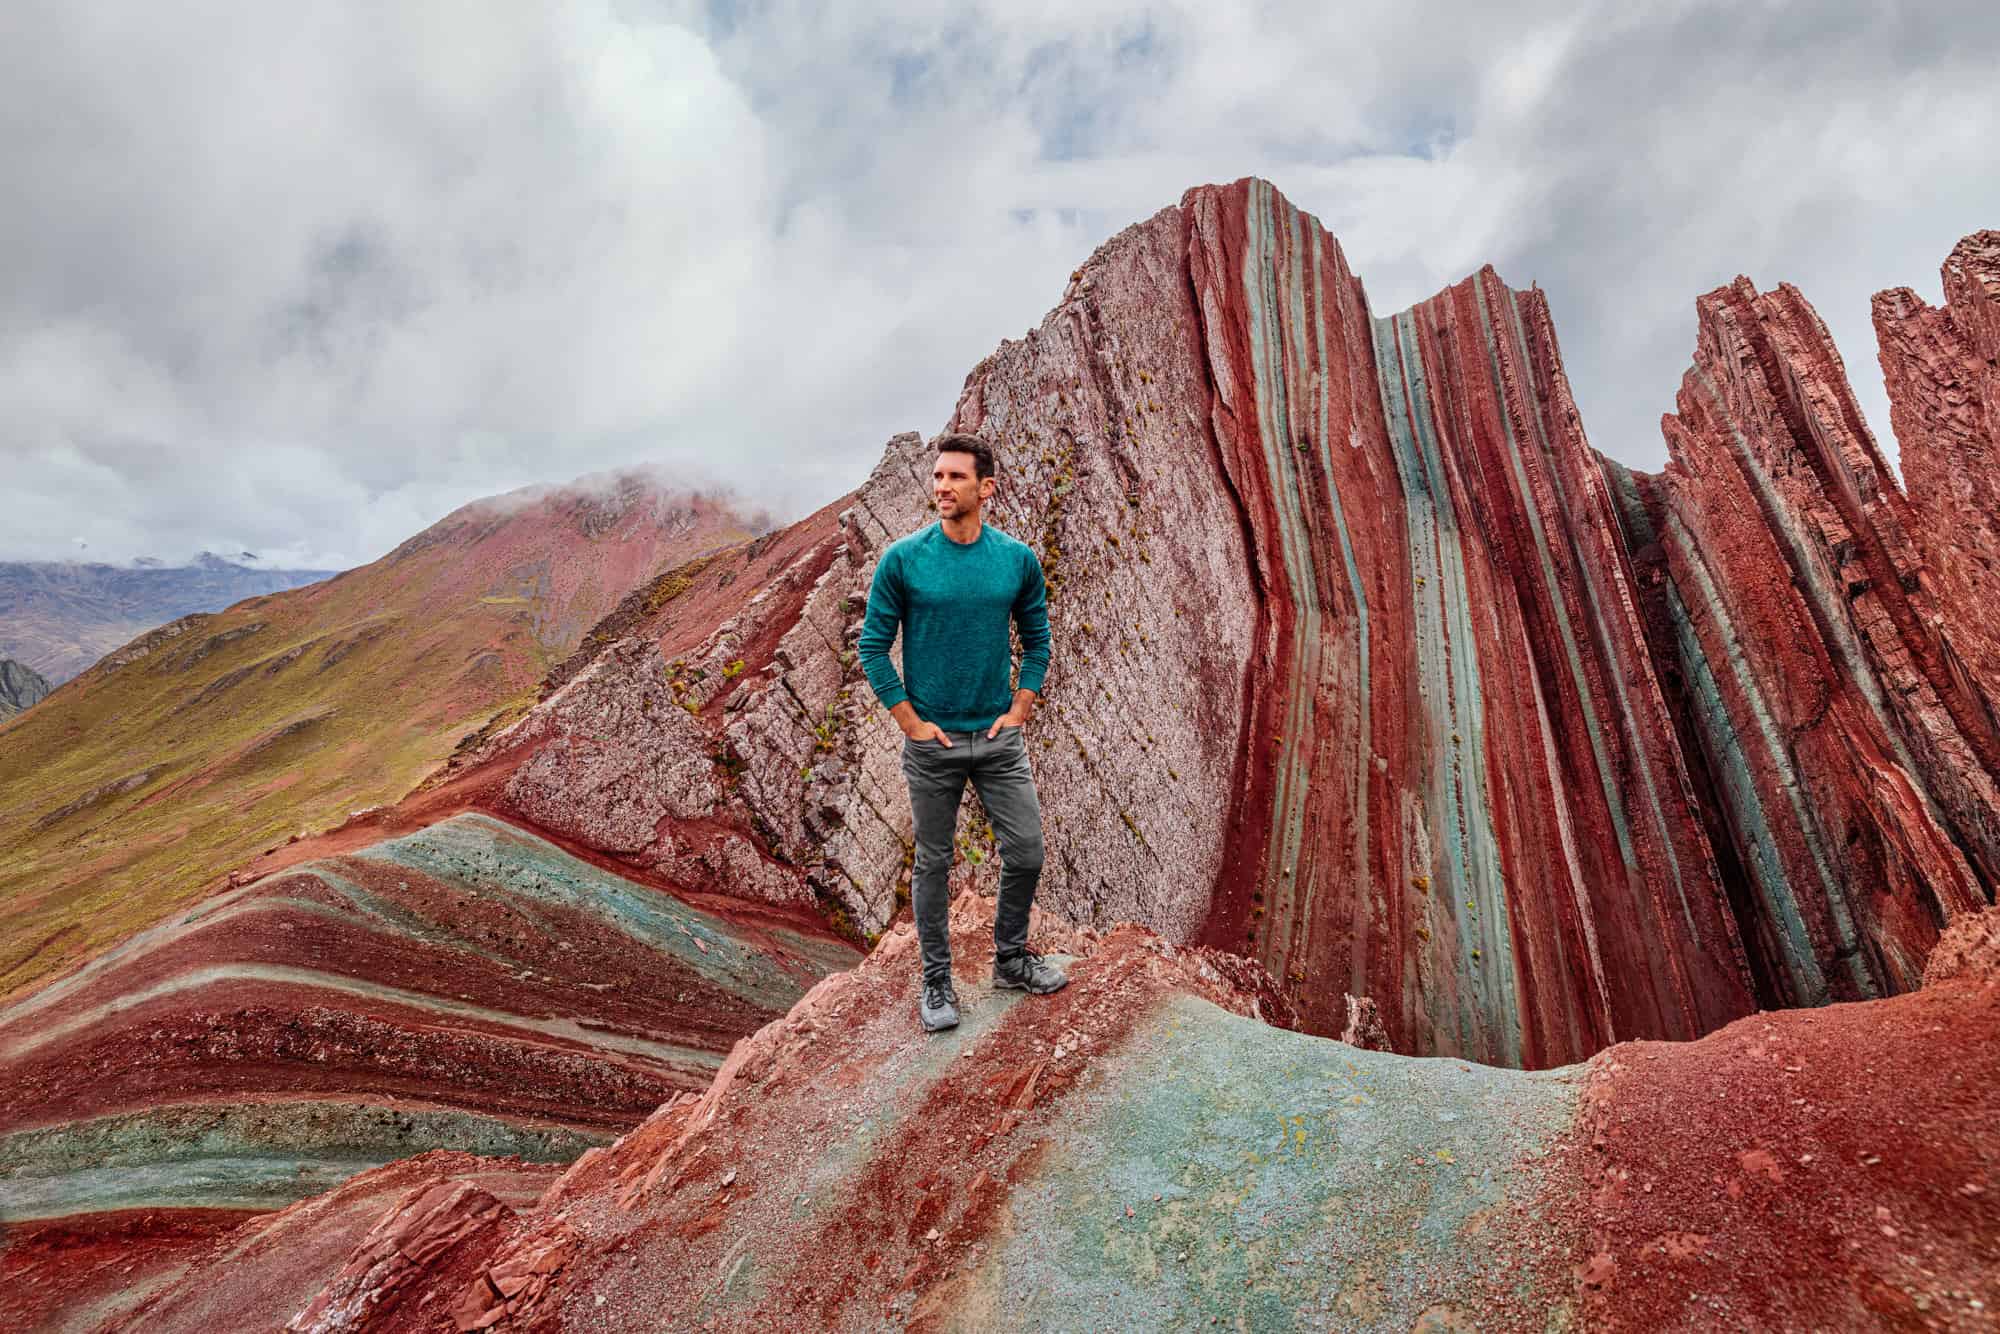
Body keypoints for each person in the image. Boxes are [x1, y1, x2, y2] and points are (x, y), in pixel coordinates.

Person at [857, 431, 1066, 1032]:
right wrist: (912, 723)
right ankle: (937, 981)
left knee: (1026, 853)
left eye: (955, 477)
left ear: (986, 488)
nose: (942, 487)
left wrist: (1022, 706)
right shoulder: (904, 560)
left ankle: (1009, 960)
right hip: (933, 747)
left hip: (999, 741)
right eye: (938, 476)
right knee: (934, 864)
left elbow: (1038, 641)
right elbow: (873, 648)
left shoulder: (1016, 561)